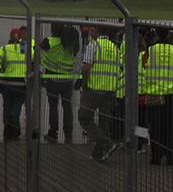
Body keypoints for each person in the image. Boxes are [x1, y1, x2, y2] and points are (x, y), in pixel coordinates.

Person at [78, 24, 121, 162]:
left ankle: (107, 144)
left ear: (98, 30)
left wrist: (84, 84)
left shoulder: (93, 45)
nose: (90, 31)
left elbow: (86, 68)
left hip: (94, 88)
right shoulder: (114, 47)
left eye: (92, 29)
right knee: (104, 123)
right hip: (109, 90)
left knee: (84, 117)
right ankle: (98, 153)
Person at [142, 27, 173, 165]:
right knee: (170, 126)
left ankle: (156, 155)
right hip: (171, 92)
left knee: (155, 127)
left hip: (155, 92)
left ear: (156, 34)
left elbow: (143, 64)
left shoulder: (151, 50)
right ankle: (170, 155)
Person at [40, 23, 80, 143]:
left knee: (53, 106)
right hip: (67, 79)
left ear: (52, 30)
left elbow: (38, 51)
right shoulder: (71, 43)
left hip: (52, 78)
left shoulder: (49, 41)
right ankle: (68, 132)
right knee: (67, 107)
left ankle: (53, 132)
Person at [0, 27, 33, 140]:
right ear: (20, 37)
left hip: (7, 84)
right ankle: (15, 132)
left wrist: (1, 69)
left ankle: (7, 131)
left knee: (7, 107)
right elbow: (34, 59)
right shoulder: (25, 48)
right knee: (16, 109)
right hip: (21, 84)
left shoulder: (5, 48)